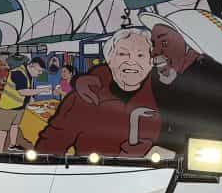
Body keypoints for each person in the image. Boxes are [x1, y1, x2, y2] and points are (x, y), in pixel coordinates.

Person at [138, 8, 222, 153]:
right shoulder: (160, 82)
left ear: (191, 48)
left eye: (164, 43)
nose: (155, 52)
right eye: (154, 44)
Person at [35, 28, 161, 156]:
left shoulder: (163, 98)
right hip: (90, 173)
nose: (132, 61)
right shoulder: (82, 98)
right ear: (109, 60)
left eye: (140, 55)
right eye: (123, 54)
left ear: (150, 63)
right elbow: (50, 145)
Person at [0, 56, 41, 151]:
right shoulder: (18, 73)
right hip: (7, 107)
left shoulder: (27, 74)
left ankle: (12, 145)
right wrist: (41, 90)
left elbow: (25, 90)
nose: (40, 73)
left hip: (19, 106)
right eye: (39, 70)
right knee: (3, 131)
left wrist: (29, 99)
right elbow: (23, 91)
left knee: (15, 126)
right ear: (31, 66)